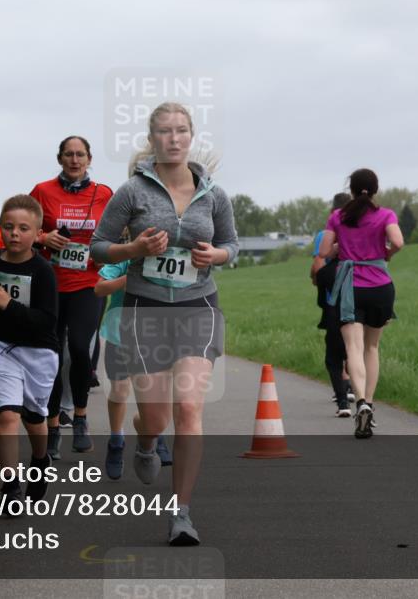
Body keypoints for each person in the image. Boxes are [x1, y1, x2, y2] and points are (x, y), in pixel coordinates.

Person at [91, 102, 238, 546]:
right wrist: (133, 250)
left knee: (189, 408)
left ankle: (181, 514)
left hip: (198, 308)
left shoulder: (213, 195)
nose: (173, 139)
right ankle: (145, 439)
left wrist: (216, 256)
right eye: (164, 132)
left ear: (191, 137)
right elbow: (98, 248)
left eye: (181, 131)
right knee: (154, 417)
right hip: (144, 311)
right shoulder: (132, 192)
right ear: (151, 139)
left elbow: (231, 244)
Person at [0, 194, 58, 507]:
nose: (15, 233)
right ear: (1, 229)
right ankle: (10, 488)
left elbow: (47, 321)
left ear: (36, 233)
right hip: (1, 348)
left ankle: (41, 462)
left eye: (23, 228)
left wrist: (10, 306)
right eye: (8, 226)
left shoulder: (43, 271)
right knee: (6, 415)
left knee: (33, 417)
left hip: (39, 353)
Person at [30, 136, 113, 459]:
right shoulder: (42, 191)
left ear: (89, 159)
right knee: (49, 356)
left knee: (80, 348)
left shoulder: (104, 194)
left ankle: (79, 417)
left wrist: (109, 255)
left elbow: (120, 232)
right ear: (60, 158)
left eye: (80, 154)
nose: (75, 160)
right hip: (49, 284)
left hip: (87, 284)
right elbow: (22, 227)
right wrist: (42, 237)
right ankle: (52, 427)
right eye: (69, 154)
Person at [316, 168, 404, 439]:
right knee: (372, 347)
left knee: (352, 348)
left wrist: (338, 250)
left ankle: (360, 403)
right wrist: (385, 254)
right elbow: (398, 242)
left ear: (351, 190)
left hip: (350, 287)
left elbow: (323, 252)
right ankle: (370, 403)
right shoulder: (385, 214)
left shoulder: (338, 217)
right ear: (375, 190)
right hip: (380, 286)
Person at [95, 253, 172, 480]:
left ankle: (153, 435)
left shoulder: (167, 259)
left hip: (154, 337)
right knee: (119, 391)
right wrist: (128, 279)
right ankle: (116, 441)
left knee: (152, 398)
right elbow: (99, 289)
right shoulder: (126, 258)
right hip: (120, 333)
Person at [311, 193, 354, 417]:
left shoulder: (324, 235)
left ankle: (343, 399)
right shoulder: (363, 231)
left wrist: (318, 280)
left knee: (334, 351)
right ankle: (361, 396)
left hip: (333, 300)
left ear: (333, 212)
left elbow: (318, 266)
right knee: (357, 347)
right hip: (363, 296)